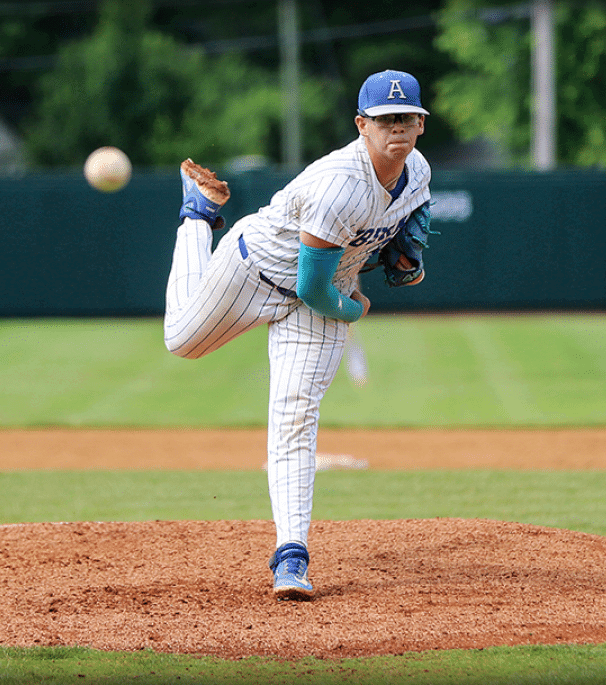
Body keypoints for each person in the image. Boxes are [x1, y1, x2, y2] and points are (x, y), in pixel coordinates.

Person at [164, 69, 432, 600]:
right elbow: (313, 288)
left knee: (294, 415)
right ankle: (198, 214)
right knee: (181, 341)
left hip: (322, 290)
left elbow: (412, 207)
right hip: (256, 272)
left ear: (421, 124)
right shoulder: (339, 184)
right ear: (362, 125)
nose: (396, 127)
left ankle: (291, 556)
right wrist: (353, 311)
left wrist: (407, 245)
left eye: (406, 117)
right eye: (385, 119)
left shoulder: (418, 170)